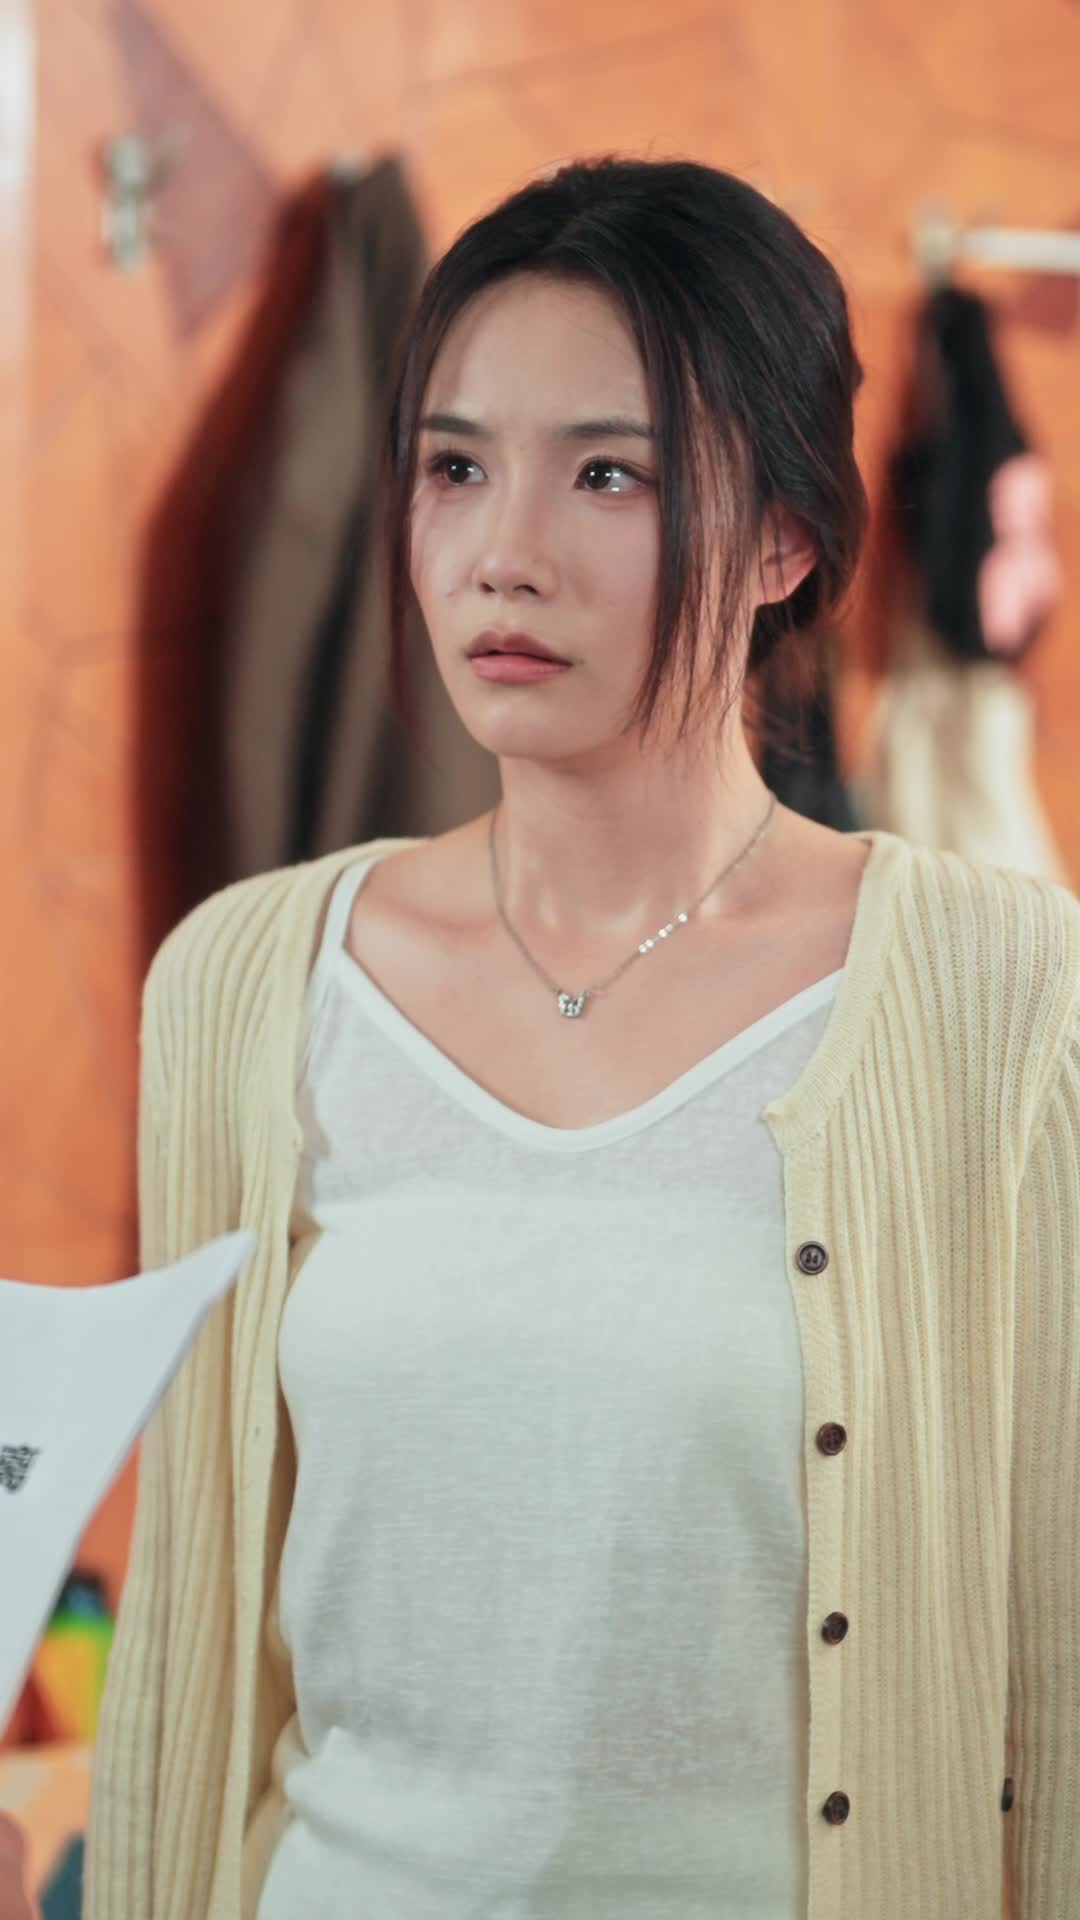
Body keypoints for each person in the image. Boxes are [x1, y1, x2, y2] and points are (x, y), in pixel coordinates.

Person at [84, 157, 1079, 1920]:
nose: (503, 555)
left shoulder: (999, 991)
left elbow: (1058, 1667)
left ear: (784, 538)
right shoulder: (242, 981)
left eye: (608, 473)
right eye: (455, 467)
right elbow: (190, 1640)